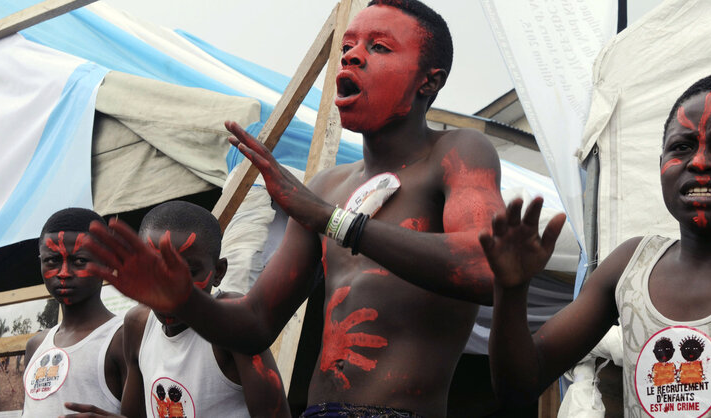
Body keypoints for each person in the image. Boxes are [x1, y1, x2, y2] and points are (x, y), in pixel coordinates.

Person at [83, 1, 505, 416]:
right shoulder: (328, 185)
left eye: (379, 47)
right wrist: (185, 302)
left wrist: (330, 219)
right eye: (348, 47)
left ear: (428, 83)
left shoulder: (456, 153)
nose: (354, 54)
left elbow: (487, 268)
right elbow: (256, 323)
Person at [482, 73, 711, 417]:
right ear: (660, 165)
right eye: (681, 147)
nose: (698, 162)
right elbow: (518, 387)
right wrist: (511, 289)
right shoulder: (632, 265)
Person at [66, 201, 290, 418]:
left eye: (188, 273)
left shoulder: (234, 323)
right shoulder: (138, 325)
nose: (168, 289)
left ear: (219, 272)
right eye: (155, 271)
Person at [22, 208, 125, 417]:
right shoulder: (36, 346)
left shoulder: (122, 338)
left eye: (79, 261)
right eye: (52, 260)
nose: (63, 273)